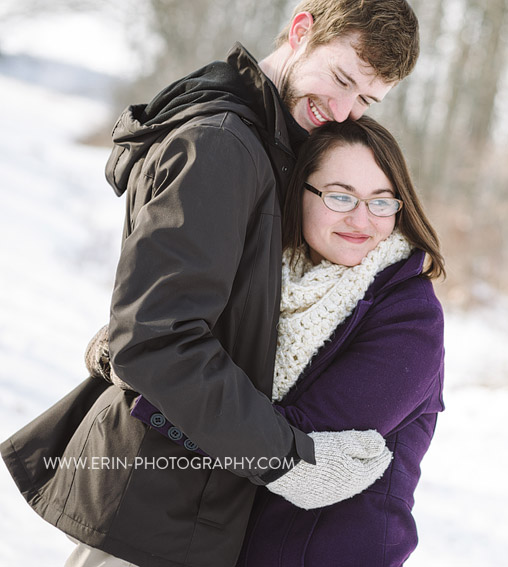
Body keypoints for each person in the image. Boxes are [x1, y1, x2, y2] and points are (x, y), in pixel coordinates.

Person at [0, 1, 419, 566]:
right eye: (341, 78)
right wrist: (287, 460)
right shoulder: (222, 144)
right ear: (301, 31)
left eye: (367, 100)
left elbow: (190, 309)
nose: (343, 110)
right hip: (152, 509)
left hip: (183, 506)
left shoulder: (269, 143)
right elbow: (157, 341)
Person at [235, 116, 446, 567]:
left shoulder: (410, 316)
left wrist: (165, 383)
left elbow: (297, 440)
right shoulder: (263, 279)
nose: (361, 219)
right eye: (340, 196)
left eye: (381, 202)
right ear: (301, 192)